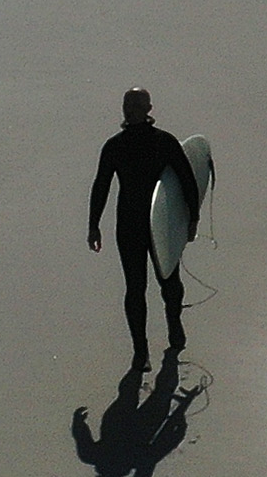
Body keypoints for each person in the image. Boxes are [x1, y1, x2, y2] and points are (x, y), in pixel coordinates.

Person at [86, 87, 202, 365]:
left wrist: (193, 218)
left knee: (170, 282)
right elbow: (101, 186)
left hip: (163, 222)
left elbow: (187, 180)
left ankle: (174, 323)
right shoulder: (114, 146)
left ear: (149, 109)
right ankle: (141, 350)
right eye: (127, 105)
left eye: (136, 105)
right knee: (135, 288)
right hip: (129, 225)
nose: (131, 110)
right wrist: (93, 225)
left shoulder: (164, 142)